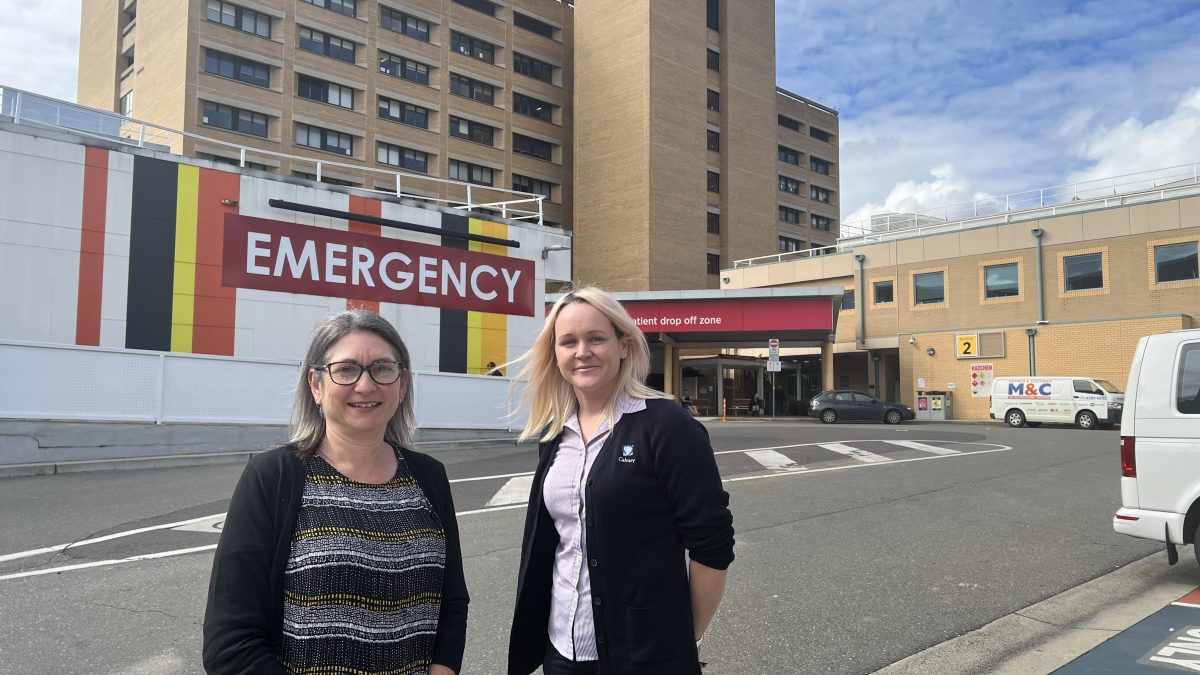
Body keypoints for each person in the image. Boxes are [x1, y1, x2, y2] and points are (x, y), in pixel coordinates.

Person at [203, 310, 469, 675]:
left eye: (382, 368)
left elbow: (452, 600)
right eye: (345, 369)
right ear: (316, 385)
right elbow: (230, 643)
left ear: (402, 384)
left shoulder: (429, 476)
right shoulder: (273, 476)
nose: (365, 385)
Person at [506, 286, 735, 675]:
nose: (582, 351)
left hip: (645, 655)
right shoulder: (554, 434)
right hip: (561, 651)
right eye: (568, 342)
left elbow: (711, 546)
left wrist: (685, 638)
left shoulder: (667, 427)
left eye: (596, 338)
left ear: (623, 345)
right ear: (556, 354)